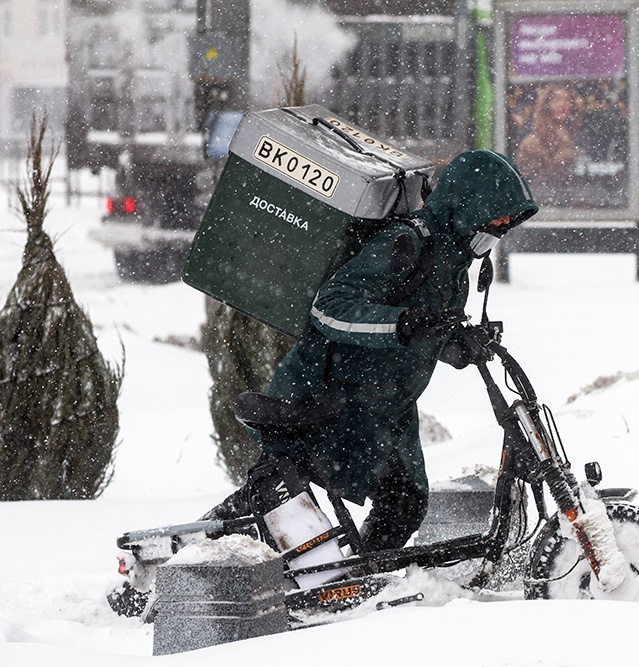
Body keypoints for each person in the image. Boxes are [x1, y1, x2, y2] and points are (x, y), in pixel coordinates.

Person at [203, 150, 538, 560]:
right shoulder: (405, 243)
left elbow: (426, 331)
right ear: (467, 205)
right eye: (498, 217)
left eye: (508, 221)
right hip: (328, 396)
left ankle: (362, 579)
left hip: (385, 408)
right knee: (281, 505)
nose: (502, 227)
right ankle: (183, 560)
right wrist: (400, 323)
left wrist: (459, 344)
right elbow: (330, 308)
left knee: (404, 503)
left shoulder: (454, 266)